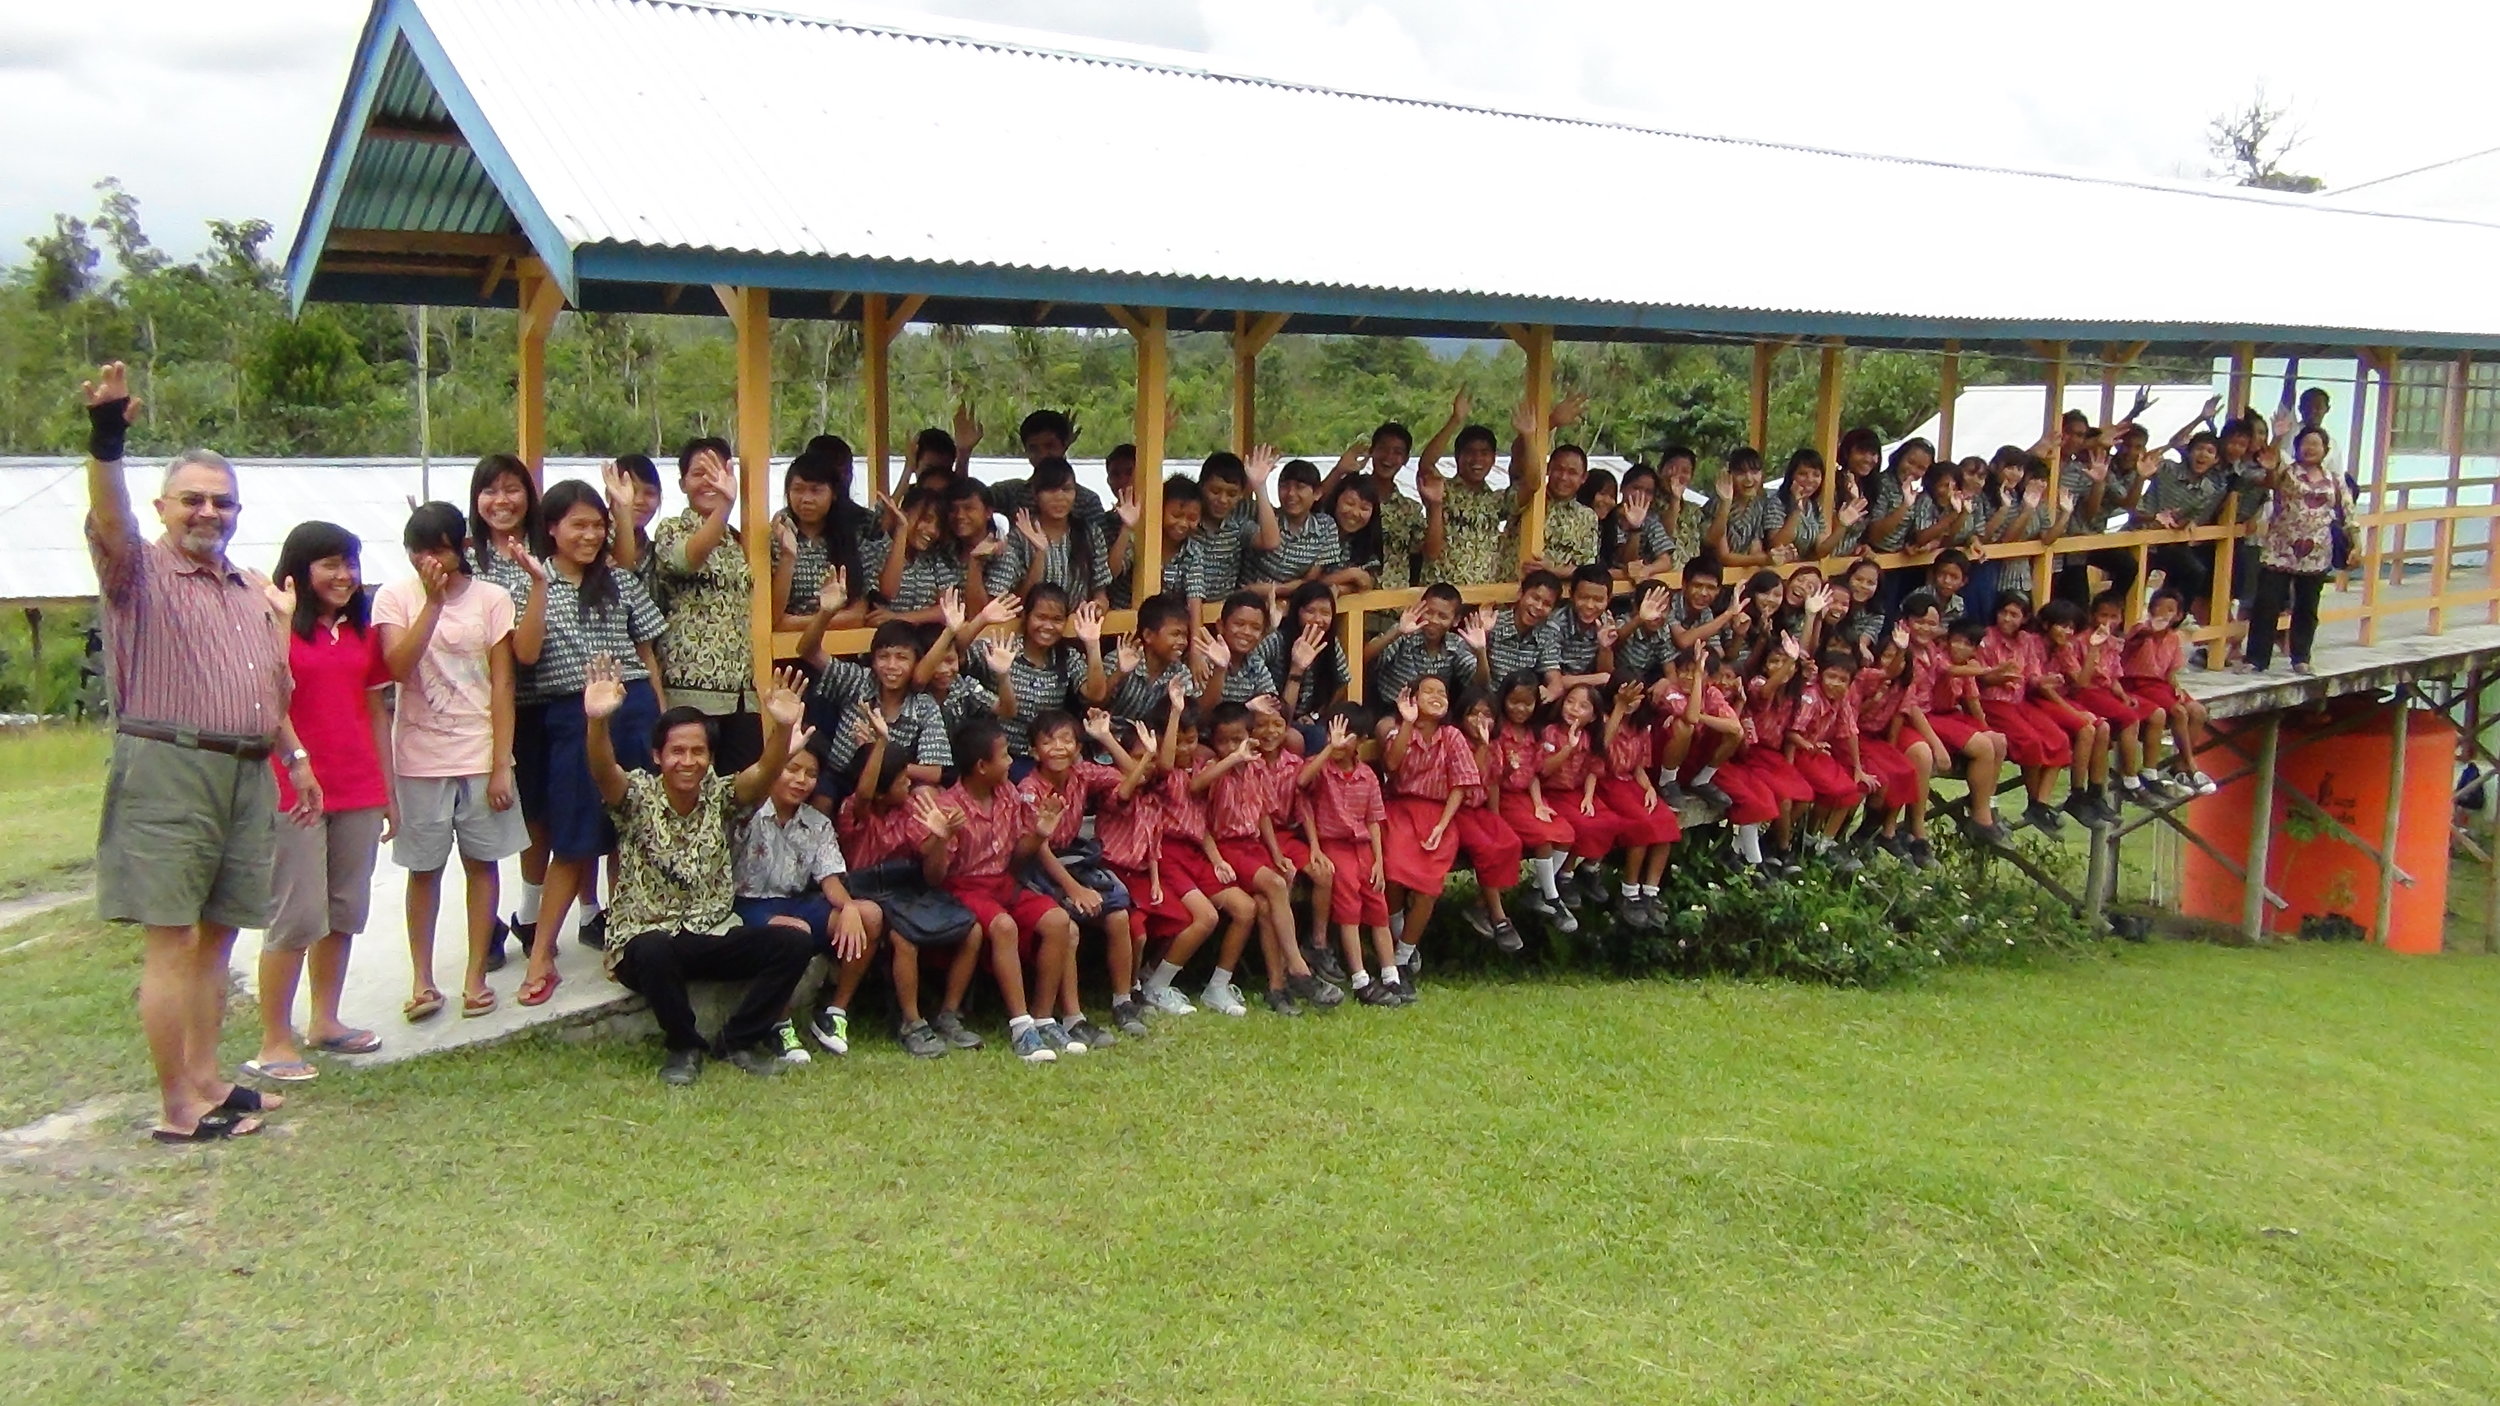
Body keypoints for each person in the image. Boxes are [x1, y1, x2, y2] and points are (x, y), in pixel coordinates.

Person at [83, 363, 305, 1143]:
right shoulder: (137, 570)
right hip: (170, 767)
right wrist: (107, 440)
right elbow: (106, 519)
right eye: (193, 499)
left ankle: (210, 1079)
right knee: (172, 937)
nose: (208, 511)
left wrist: (294, 760)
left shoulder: (247, 586)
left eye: (222, 500)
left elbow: (273, 687)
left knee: (218, 935)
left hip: (247, 770)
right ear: (164, 507)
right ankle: (178, 1106)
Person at [585, 658, 818, 1084]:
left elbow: (765, 772)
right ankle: (683, 1047)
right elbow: (604, 772)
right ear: (658, 756)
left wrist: (782, 728)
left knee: (793, 943)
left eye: (697, 752)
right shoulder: (636, 795)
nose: (687, 761)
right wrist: (597, 723)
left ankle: (739, 1040)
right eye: (677, 751)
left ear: (710, 758)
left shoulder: (721, 795)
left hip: (709, 932)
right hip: (646, 941)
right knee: (653, 948)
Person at [506, 479, 669, 1007]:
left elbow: (646, 652)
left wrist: (662, 719)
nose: (591, 535)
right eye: (578, 524)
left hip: (634, 708)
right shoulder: (528, 581)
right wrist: (535, 588)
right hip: (568, 714)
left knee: (630, 829)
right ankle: (540, 954)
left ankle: (619, 941)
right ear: (551, 528)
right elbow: (525, 656)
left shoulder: (619, 579)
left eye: (598, 525)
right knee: (573, 838)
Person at [248, 521, 395, 1084]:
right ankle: (273, 1041)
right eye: (331, 564)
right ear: (301, 569)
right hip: (294, 788)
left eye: (351, 564)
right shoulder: (274, 624)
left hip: (358, 787)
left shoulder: (359, 632)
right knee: (295, 914)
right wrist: (298, 760)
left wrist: (388, 792)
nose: (345, 576)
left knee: (342, 909)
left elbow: (376, 709)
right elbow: (270, 699)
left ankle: (325, 1021)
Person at [377, 502, 527, 1021]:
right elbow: (396, 666)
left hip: (479, 753)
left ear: (461, 548)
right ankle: (422, 980)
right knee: (423, 870)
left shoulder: (493, 598)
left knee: (482, 866)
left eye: (440, 549)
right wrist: (433, 605)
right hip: (419, 758)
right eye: (419, 552)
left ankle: (475, 977)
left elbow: (503, 683)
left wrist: (502, 761)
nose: (430, 561)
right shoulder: (395, 597)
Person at [732, 741, 881, 1062]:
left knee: (870, 914)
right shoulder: (746, 811)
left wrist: (849, 907)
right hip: (746, 905)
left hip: (795, 901)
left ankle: (834, 1012)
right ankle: (778, 1023)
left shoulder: (817, 823)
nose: (801, 780)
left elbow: (830, 879)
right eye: (792, 769)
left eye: (811, 774)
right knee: (794, 931)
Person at [652, 438, 763, 773]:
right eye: (699, 473)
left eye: (719, 471)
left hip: (742, 689)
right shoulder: (672, 528)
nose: (709, 481)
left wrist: (786, 556)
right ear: (682, 482)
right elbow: (687, 559)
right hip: (692, 688)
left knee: (744, 791)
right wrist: (723, 508)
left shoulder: (740, 538)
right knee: (692, 784)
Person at [2242, 418, 2349, 676]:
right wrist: (2278, 437)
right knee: (2267, 603)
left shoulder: (2334, 479)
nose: (2310, 448)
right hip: (2281, 547)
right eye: (2305, 443)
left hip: (2316, 551)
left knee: (2307, 607)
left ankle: (2301, 656)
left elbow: (2347, 512)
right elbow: (2271, 475)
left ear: (2325, 449)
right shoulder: (2288, 472)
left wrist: (2355, 544)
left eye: (2316, 444)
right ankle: (2256, 659)